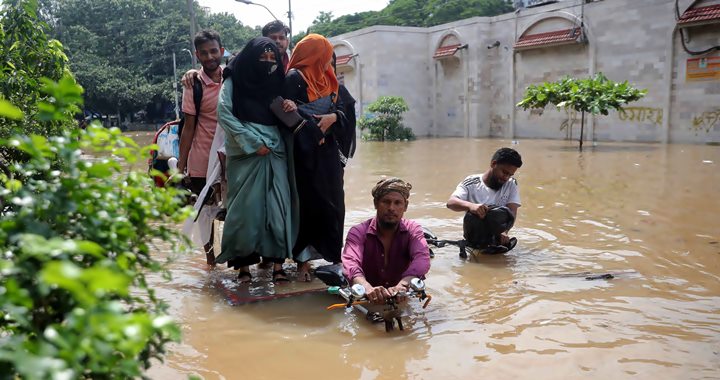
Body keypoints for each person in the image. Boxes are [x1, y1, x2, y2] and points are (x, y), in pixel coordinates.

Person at [214, 36, 299, 283]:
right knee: (245, 211)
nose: (268, 62)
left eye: (273, 57)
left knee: (277, 207)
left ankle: (277, 265)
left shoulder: (277, 80)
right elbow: (224, 113)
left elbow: (285, 107)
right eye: (263, 57)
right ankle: (243, 267)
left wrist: (291, 105)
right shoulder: (234, 80)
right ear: (252, 58)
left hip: (275, 150)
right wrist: (252, 142)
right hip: (245, 152)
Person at [283, 33, 350, 281]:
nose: (327, 61)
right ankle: (303, 262)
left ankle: (333, 258)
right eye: (324, 56)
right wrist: (312, 130)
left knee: (333, 204)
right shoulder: (293, 78)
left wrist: (334, 118)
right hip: (304, 153)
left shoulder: (330, 80)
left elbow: (344, 109)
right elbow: (286, 113)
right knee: (307, 205)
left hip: (328, 154)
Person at [342, 178, 431, 305]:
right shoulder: (358, 232)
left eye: (397, 203)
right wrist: (367, 288)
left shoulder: (413, 229)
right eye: (386, 202)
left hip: (401, 294)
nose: (391, 208)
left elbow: (422, 259)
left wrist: (404, 284)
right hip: (366, 297)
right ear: (375, 204)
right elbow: (350, 263)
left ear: (405, 206)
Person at [177, 30, 224, 265]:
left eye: (213, 51)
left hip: (231, 158)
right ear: (197, 55)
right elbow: (188, 127)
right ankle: (211, 262)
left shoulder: (234, 77)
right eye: (204, 53)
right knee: (206, 214)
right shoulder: (192, 84)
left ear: (221, 51)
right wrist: (181, 165)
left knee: (233, 209)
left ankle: (239, 262)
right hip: (202, 160)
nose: (209, 56)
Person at [446, 147, 523, 253]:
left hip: (498, 237)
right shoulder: (471, 182)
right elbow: (451, 203)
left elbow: (512, 212)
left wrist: (505, 232)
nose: (506, 177)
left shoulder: (511, 183)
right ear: (493, 164)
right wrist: (471, 206)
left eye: (510, 174)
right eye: (504, 172)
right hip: (475, 237)